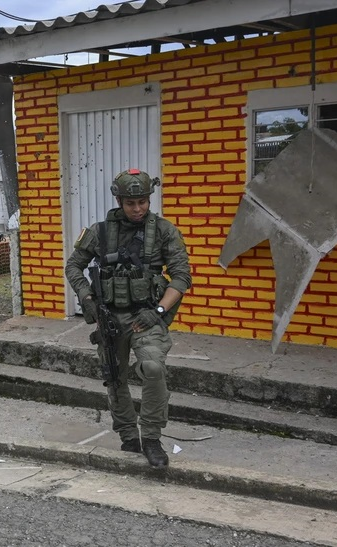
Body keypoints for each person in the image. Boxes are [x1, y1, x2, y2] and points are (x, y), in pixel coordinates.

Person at [65, 168, 192, 468]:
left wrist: (158, 310)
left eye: (143, 202)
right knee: (114, 377)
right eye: (131, 203)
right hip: (110, 318)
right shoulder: (100, 231)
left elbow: (182, 277)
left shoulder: (163, 231)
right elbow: (73, 266)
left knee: (152, 368)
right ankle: (127, 436)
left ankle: (150, 437)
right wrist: (86, 299)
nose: (138, 209)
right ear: (120, 200)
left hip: (146, 317)